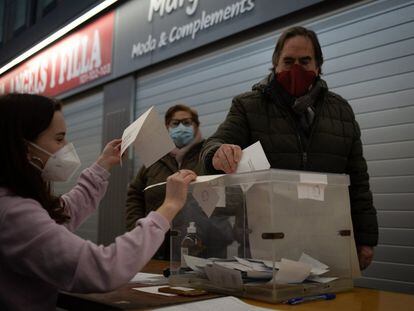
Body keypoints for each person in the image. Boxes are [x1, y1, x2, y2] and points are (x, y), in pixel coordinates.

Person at [200, 26, 378, 270]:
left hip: (327, 241)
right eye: (288, 61)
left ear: (318, 65)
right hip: (264, 245)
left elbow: (358, 180)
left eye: (305, 61)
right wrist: (217, 154)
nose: (296, 69)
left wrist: (366, 239)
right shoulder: (248, 106)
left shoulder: (341, 112)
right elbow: (214, 144)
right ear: (275, 63)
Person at [0, 94, 196, 311]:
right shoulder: (14, 213)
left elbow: (61, 214)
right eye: (59, 138)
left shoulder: (13, 202)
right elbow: (105, 268)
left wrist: (102, 166)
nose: (66, 146)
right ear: (24, 147)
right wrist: (169, 208)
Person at [125, 104, 233, 260]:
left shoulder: (210, 156)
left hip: (203, 251)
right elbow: (134, 195)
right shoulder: (154, 159)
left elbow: (228, 196)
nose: (181, 127)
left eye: (187, 122)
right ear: (167, 127)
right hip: (156, 249)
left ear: (196, 126)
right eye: (175, 123)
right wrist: (137, 230)